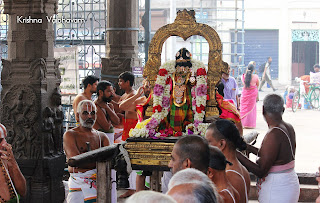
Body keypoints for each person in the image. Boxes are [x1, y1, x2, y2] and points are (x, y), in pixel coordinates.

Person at [237, 94, 300, 203]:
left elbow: (261, 171)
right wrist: (248, 147)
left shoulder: (274, 133)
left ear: (263, 110)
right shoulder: (288, 127)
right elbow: (272, 155)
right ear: (283, 109)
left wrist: (234, 153)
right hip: (288, 182)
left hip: (277, 189)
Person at [64, 100, 110, 203]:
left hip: (98, 180)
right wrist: (98, 160)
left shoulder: (102, 136)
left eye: (92, 113)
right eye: (85, 113)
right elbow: (75, 162)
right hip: (78, 181)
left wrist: (88, 161)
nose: (90, 117)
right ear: (77, 115)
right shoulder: (70, 135)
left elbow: (110, 161)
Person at [205, 119, 250, 203]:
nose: (206, 147)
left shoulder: (229, 174)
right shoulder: (240, 168)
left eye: (208, 142)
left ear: (222, 144)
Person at [0, 123, 26, 202]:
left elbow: (23, 191)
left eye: (5, 139)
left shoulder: (5, 159)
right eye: (0, 140)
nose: (5, 144)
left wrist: (13, 164)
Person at [117, 71, 137, 141]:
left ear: (127, 82)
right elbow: (118, 108)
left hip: (133, 125)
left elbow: (120, 107)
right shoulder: (125, 95)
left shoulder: (133, 95)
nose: (118, 83)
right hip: (126, 125)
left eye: (120, 81)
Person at [240, 64, 259, 129]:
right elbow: (257, 85)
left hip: (245, 94)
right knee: (252, 109)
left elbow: (244, 84)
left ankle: (243, 123)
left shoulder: (243, 76)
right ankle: (250, 124)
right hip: (252, 95)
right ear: (253, 70)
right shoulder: (255, 77)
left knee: (244, 108)